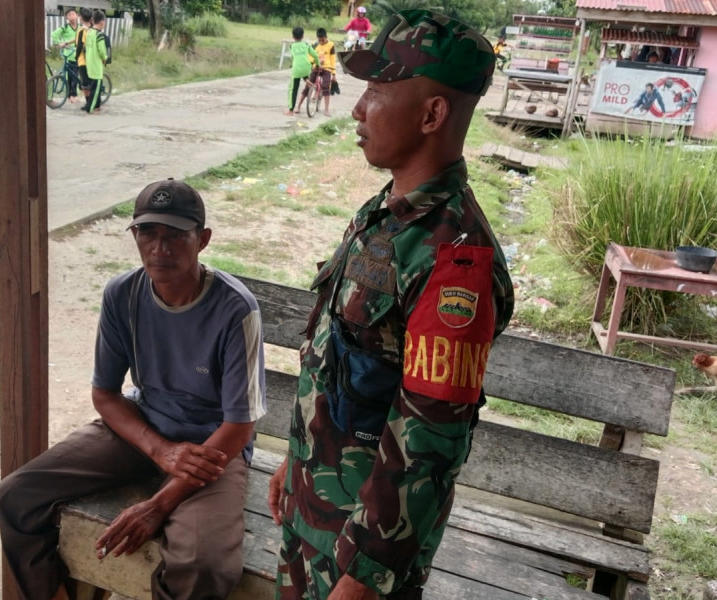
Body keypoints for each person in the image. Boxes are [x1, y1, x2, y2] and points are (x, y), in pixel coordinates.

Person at [267, 11, 514, 599]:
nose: (357, 109)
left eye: (377, 92)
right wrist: (296, 459)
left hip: (360, 551)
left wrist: (362, 579)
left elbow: (429, 445)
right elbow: (336, 361)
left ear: (433, 115)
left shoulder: (457, 260)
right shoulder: (386, 215)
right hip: (312, 507)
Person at [0, 178, 267, 600]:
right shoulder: (123, 293)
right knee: (15, 496)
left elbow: (239, 426)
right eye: (148, 233)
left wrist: (158, 505)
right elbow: (105, 394)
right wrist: (160, 450)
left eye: (176, 235)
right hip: (143, 430)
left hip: (213, 450)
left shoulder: (235, 308)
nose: (160, 249)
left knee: (203, 563)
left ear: (203, 239)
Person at [285, 27, 319, 116]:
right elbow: (315, 55)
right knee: (304, 73)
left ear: (293, 36)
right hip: (307, 67)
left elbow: (294, 58)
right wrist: (318, 65)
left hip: (296, 69)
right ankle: (310, 83)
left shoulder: (291, 46)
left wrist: (293, 64)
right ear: (303, 36)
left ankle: (290, 111)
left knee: (293, 89)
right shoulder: (307, 45)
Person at [50, 8, 80, 104]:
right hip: (69, 54)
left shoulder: (80, 28)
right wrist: (59, 43)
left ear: (77, 15)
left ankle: (72, 95)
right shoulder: (65, 28)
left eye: (73, 14)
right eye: (69, 15)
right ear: (67, 17)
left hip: (79, 54)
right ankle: (71, 95)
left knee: (75, 75)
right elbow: (54, 34)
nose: (72, 16)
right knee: (71, 76)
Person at [82, 10, 109, 113]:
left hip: (89, 63)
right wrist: (105, 58)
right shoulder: (99, 35)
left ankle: (97, 106)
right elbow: (102, 52)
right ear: (102, 22)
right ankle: (91, 108)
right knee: (95, 90)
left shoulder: (89, 32)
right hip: (96, 65)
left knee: (94, 86)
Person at [311, 27, 337, 116]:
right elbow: (311, 56)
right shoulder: (315, 44)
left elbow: (333, 60)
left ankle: (326, 109)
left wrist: (334, 73)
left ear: (326, 37)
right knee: (311, 80)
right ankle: (314, 92)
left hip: (327, 67)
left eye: (322, 40)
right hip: (317, 66)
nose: (321, 42)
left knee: (326, 86)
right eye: (319, 40)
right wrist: (311, 64)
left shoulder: (331, 45)